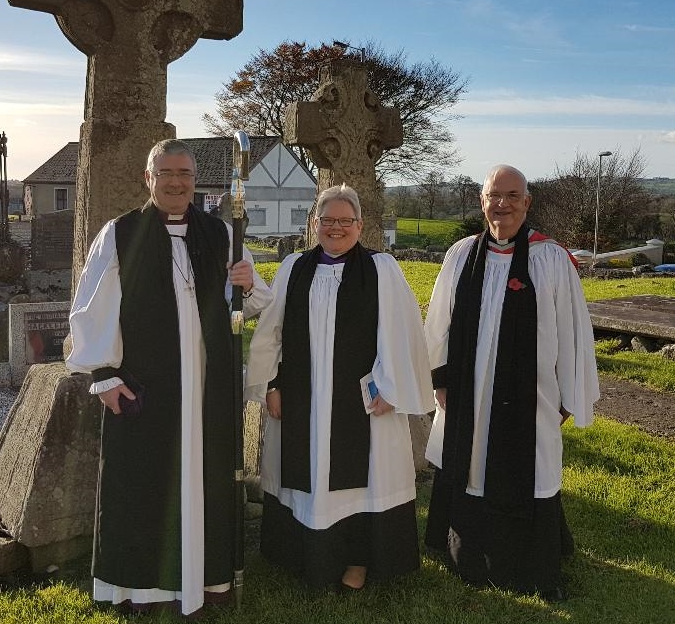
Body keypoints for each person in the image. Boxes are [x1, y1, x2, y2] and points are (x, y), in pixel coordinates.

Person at [65, 139, 272, 618]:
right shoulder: (121, 234)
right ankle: (141, 589)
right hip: (145, 385)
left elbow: (255, 303)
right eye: (166, 173)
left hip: (207, 388)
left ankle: (208, 579)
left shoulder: (220, 234)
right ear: (149, 178)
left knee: (208, 479)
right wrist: (105, 375)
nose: (176, 182)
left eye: (184, 174)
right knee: (142, 482)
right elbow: (92, 308)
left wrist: (247, 281)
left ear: (194, 180)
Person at [245, 184, 435, 591]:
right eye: (327, 220)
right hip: (301, 400)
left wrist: (390, 387)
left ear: (360, 225)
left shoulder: (382, 269)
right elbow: (270, 333)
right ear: (314, 223)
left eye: (344, 221)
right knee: (307, 475)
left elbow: (402, 335)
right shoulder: (294, 267)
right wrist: (273, 385)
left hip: (363, 405)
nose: (335, 228)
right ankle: (302, 554)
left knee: (363, 478)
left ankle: (357, 559)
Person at [423, 165, 600, 600]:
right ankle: (467, 553)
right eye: (492, 195)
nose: (501, 203)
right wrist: (439, 378)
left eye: (511, 195)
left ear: (527, 202)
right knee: (470, 463)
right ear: (481, 200)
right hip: (467, 391)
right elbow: (439, 323)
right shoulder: (462, 254)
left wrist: (567, 395)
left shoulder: (550, 258)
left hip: (531, 394)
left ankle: (528, 564)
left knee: (530, 465)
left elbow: (572, 331)